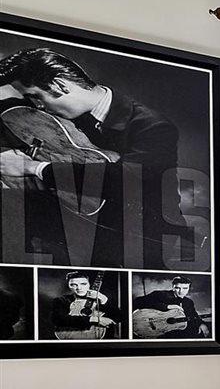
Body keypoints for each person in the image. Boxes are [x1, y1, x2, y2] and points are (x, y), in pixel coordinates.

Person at [0, 48, 186, 268]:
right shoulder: (61, 113)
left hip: (144, 242)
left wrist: (33, 167)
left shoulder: (153, 127)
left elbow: (125, 181)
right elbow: (13, 113)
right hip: (79, 224)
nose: (37, 106)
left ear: (60, 85)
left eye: (35, 96)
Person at [49, 270, 120, 339]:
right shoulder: (62, 300)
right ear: (68, 285)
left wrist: (104, 301)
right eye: (73, 285)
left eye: (83, 284)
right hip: (69, 338)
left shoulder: (101, 299)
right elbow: (57, 319)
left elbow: (119, 317)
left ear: (89, 284)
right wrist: (94, 319)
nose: (79, 288)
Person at [131, 274, 207, 337]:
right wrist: (167, 307)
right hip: (149, 330)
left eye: (185, 288)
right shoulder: (160, 294)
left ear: (189, 288)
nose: (181, 291)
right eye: (178, 288)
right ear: (173, 287)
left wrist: (201, 324)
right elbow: (138, 302)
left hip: (172, 333)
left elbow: (193, 315)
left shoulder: (189, 302)